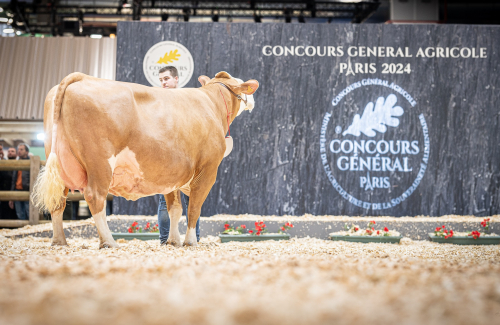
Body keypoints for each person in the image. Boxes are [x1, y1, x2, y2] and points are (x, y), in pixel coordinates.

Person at [157, 66, 200, 245]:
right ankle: (165, 240)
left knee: (194, 199)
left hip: (188, 158)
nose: (163, 83)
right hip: (165, 157)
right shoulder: (157, 101)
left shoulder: (188, 99)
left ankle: (193, 237)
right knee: (164, 199)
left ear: (176, 79)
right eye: (161, 80)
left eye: (166, 78)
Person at [10, 143, 30, 220]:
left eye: (22, 149)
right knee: (19, 214)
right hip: (17, 191)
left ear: (27, 152)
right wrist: (11, 196)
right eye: (18, 149)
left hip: (27, 191)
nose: (19, 151)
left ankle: (30, 231)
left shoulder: (31, 162)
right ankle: (22, 231)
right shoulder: (16, 162)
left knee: (28, 213)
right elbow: (13, 180)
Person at [0, 147, 18, 219]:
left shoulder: (18, 164)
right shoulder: (4, 162)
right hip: (3, 190)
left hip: (14, 191)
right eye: (9, 151)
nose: (10, 152)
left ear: (16, 154)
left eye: (12, 151)